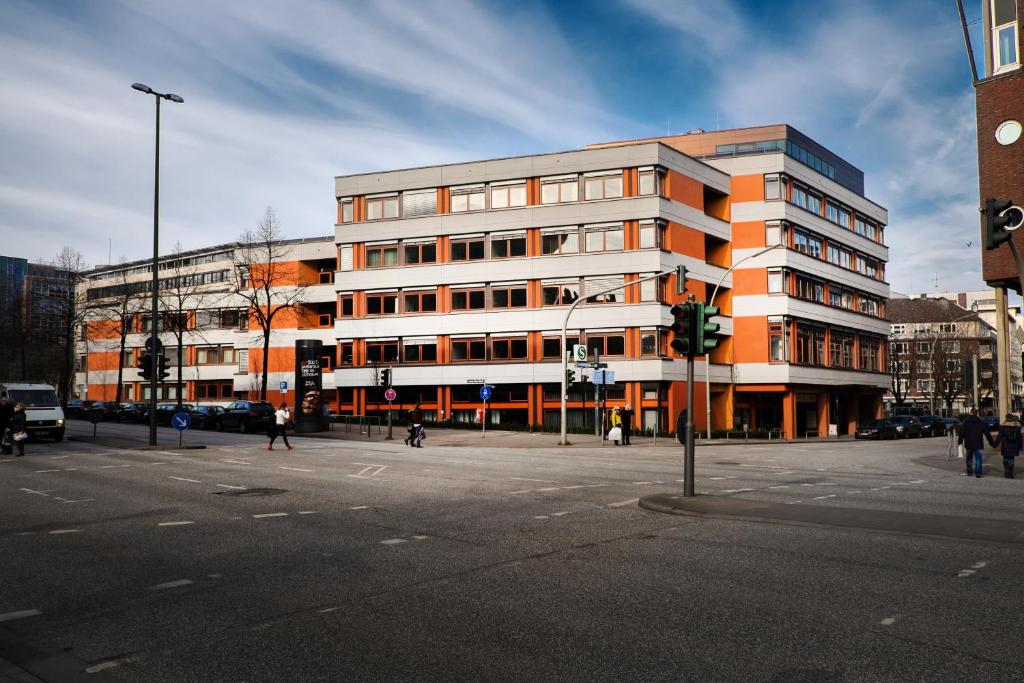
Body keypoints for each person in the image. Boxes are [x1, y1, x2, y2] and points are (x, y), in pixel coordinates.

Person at [957, 409, 991, 478]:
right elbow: (987, 434)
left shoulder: (966, 423)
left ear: (971, 413)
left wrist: (960, 442)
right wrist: (992, 443)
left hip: (969, 444)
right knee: (978, 459)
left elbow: (961, 433)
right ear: (977, 413)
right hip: (978, 443)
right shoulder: (981, 422)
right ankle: (978, 473)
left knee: (969, 458)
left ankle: (969, 472)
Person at [991, 413, 1022, 478]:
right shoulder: (1017, 427)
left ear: (1006, 418)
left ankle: (1007, 471)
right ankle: (1010, 472)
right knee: (1011, 459)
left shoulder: (1003, 427)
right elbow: (1020, 437)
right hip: (1014, 445)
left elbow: (999, 437)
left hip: (1005, 445)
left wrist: (995, 444)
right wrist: (1020, 446)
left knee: (1005, 458)